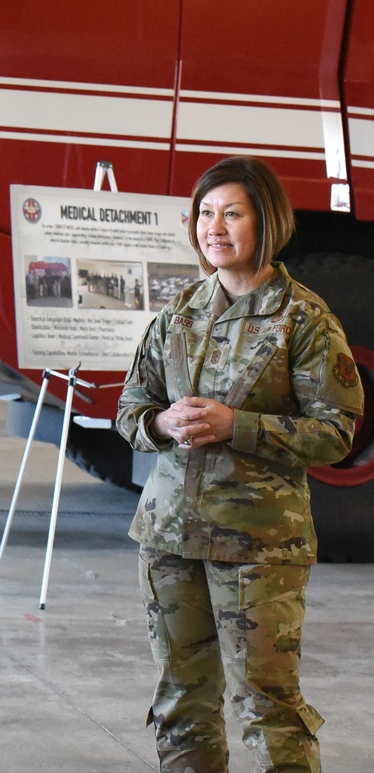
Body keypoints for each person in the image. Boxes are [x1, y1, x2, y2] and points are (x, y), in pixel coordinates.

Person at [116, 156, 363, 772]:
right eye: (205, 213)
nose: (214, 227)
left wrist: (238, 426)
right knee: (180, 700)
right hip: (170, 536)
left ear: (266, 223)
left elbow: (336, 433)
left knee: (266, 705)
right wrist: (159, 423)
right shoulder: (180, 313)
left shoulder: (303, 320)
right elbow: (130, 406)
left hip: (258, 546)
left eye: (232, 213)